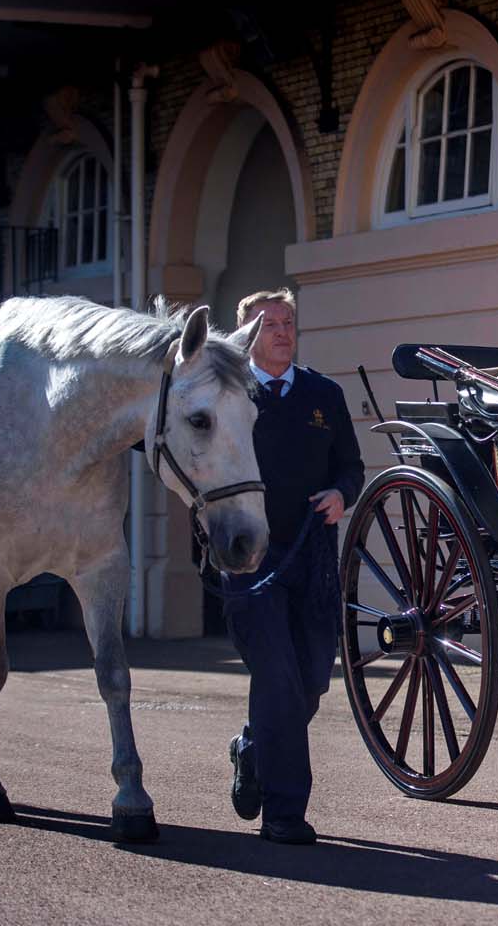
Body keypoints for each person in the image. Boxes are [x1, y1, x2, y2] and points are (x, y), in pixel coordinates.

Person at [212, 287, 363, 845]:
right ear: (244, 335)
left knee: (311, 682)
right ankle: (283, 814)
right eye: (267, 323)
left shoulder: (324, 393)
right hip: (250, 559)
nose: (280, 331)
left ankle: (253, 747)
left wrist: (341, 494)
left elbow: (350, 465)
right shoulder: (226, 394)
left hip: (314, 558)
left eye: (287, 321)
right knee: (276, 679)